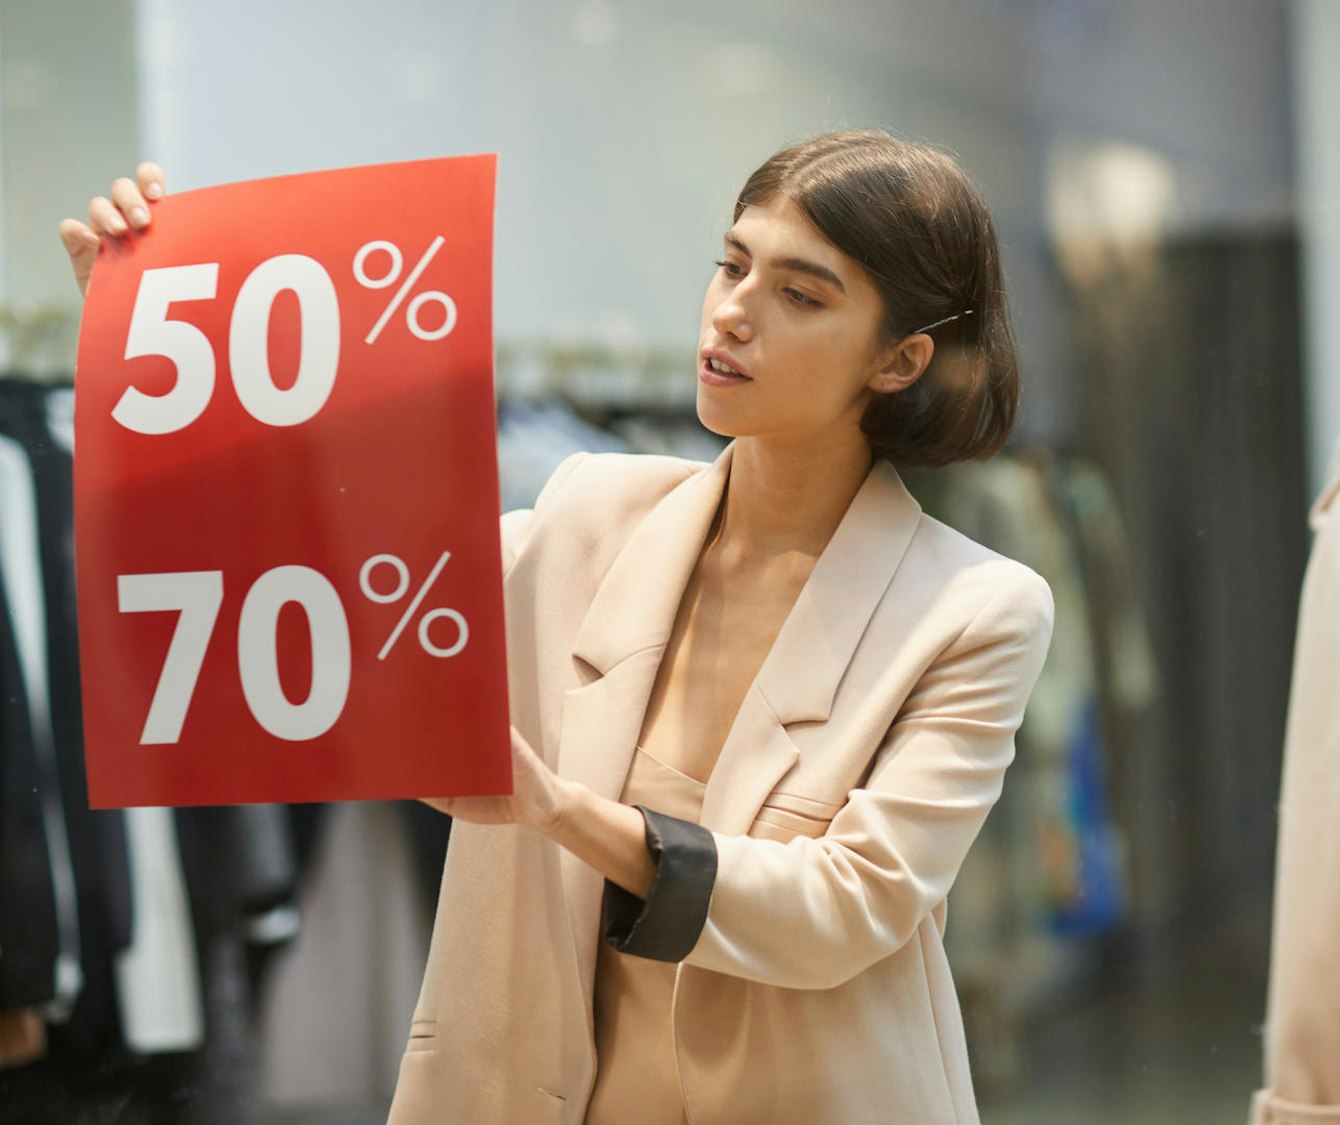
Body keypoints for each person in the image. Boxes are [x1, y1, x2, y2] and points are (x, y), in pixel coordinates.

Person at [62, 129, 1056, 1124]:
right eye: (731, 263)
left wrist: (555, 810)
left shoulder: (971, 611)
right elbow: (315, 580)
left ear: (901, 359)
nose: (733, 311)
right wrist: (155, 349)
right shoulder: (583, 515)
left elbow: (849, 905)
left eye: (800, 294)